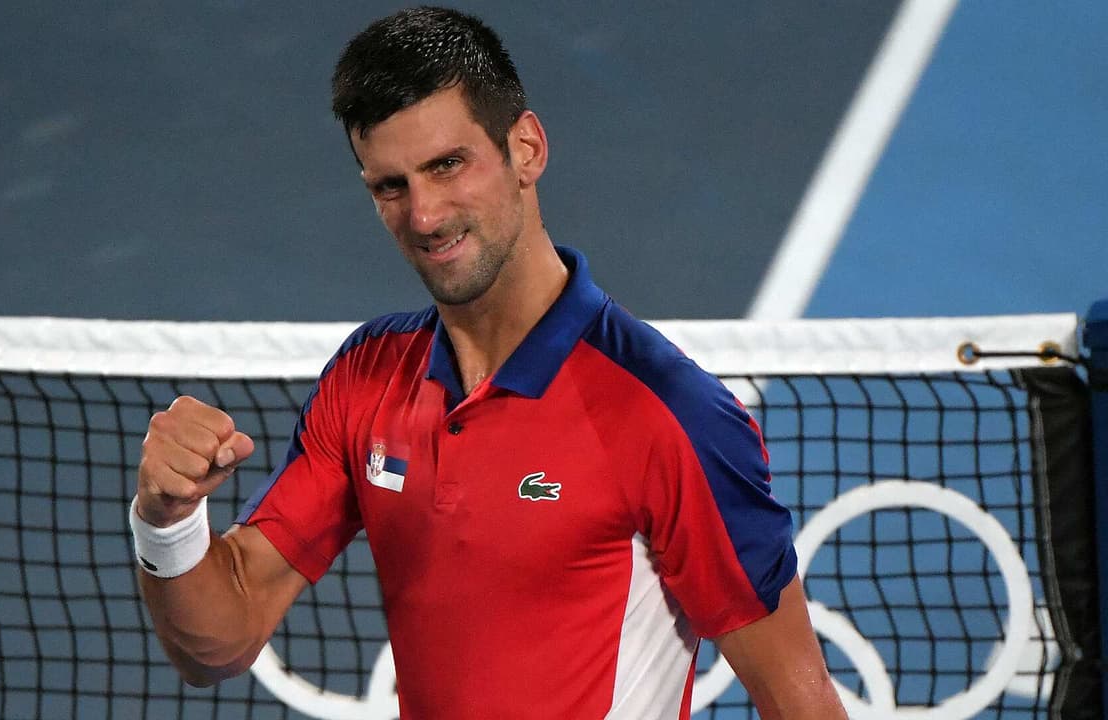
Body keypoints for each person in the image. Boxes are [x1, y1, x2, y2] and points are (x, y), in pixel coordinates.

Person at [130, 6, 847, 719]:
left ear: (526, 149)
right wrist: (169, 521)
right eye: (391, 186)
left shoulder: (667, 413)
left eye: (447, 166)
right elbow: (215, 646)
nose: (424, 216)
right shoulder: (366, 378)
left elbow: (801, 703)